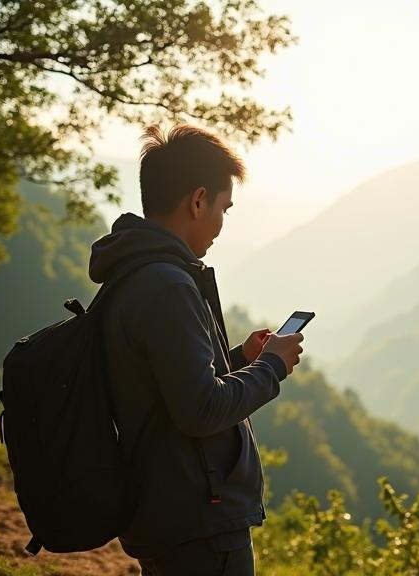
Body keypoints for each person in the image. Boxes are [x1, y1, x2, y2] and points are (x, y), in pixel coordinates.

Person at [87, 124, 303, 575]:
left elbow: (171, 387)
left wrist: (241, 360)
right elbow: (200, 410)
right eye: (224, 207)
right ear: (198, 200)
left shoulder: (133, 271)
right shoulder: (168, 285)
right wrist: (272, 368)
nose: (222, 224)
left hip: (165, 506)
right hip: (198, 521)